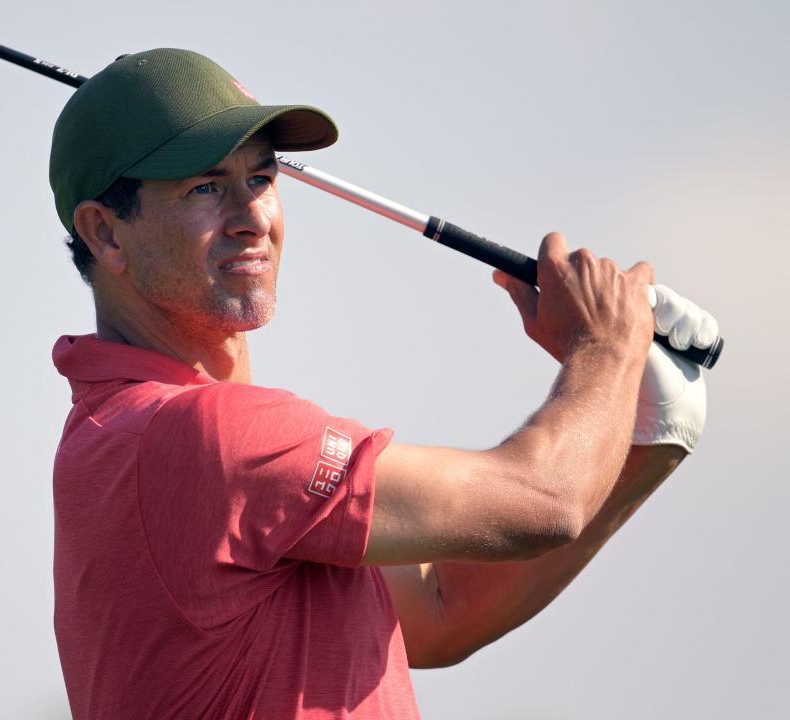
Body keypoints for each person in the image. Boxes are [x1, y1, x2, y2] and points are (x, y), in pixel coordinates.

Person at [48, 49, 716, 720]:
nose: (252, 216)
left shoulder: (121, 434)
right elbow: (544, 499)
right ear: (105, 233)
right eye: (204, 187)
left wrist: (647, 431)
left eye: (260, 177)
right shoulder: (207, 436)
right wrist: (606, 348)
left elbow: (438, 613)